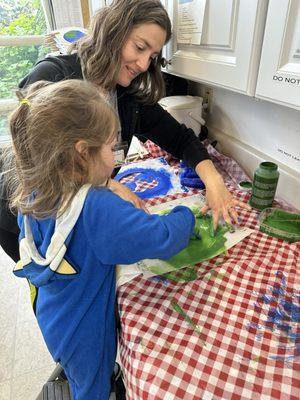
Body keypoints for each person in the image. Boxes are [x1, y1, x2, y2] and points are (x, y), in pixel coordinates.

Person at [0, 0, 250, 262]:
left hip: (77, 219)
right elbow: (36, 161)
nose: (143, 64)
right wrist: (108, 183)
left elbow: (180, 138)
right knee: (50, 285)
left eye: (152, 56)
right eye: (139, 47)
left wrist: (213, 180)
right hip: (27, 216)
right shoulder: (54, 75)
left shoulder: (128, 97)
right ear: (113, 31)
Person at [8, 79, 195, 400]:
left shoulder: (34, 191)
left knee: (80, 375)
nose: (115, 155)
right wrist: (186, 215)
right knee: (92, 390)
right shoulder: (96, 208)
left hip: (53, 317)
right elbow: (162, 238)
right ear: (82, 153)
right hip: (87, 334)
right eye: (111, 147)